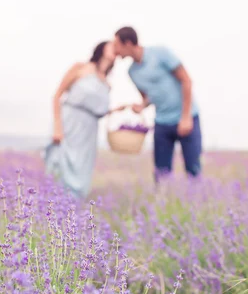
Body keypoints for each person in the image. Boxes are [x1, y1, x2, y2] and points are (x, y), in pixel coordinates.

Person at [113, 26, 202, 182]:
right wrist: (141, 106)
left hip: (187, 117)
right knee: (161, 174)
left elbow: (186, 81)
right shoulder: (132, 72)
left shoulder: (161, 54)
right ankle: (163, 203)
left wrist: (186, 117)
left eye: (117, 45)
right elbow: (149, 97)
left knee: (193, 170)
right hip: (162, 122)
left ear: (127, 43)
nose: (115, 50)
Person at [44, 41, 126, 199]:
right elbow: (57, 95)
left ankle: (73, 212)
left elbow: (98, 111)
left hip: (89, 131)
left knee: (82, 170)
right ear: (101, 49)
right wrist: (57, 127)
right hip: (70, 123)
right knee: (61, 165)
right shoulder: (80, 68)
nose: (116, 48)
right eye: (112, 45)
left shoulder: (107, 83)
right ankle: (52, 208)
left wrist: (116, 110)